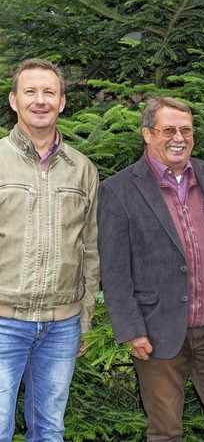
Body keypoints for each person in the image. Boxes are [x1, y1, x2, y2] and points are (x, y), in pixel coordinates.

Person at [98, 97, 204, 441]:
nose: (178, 137)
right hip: (155, 333)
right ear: (148, 134)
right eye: (168, 130)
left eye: (185, 129)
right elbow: (115, 270)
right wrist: (130, 329)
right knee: (165, 432)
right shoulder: (119, 190)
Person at [0, 58, 100, 441]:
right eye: (30, 92)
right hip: (4, 321)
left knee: (50, 431)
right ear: (14, 100)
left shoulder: (82, 169)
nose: (39, 100)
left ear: (61, 102)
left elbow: (91, 249)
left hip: (62, 325)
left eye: (49, 92)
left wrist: (85, 317)